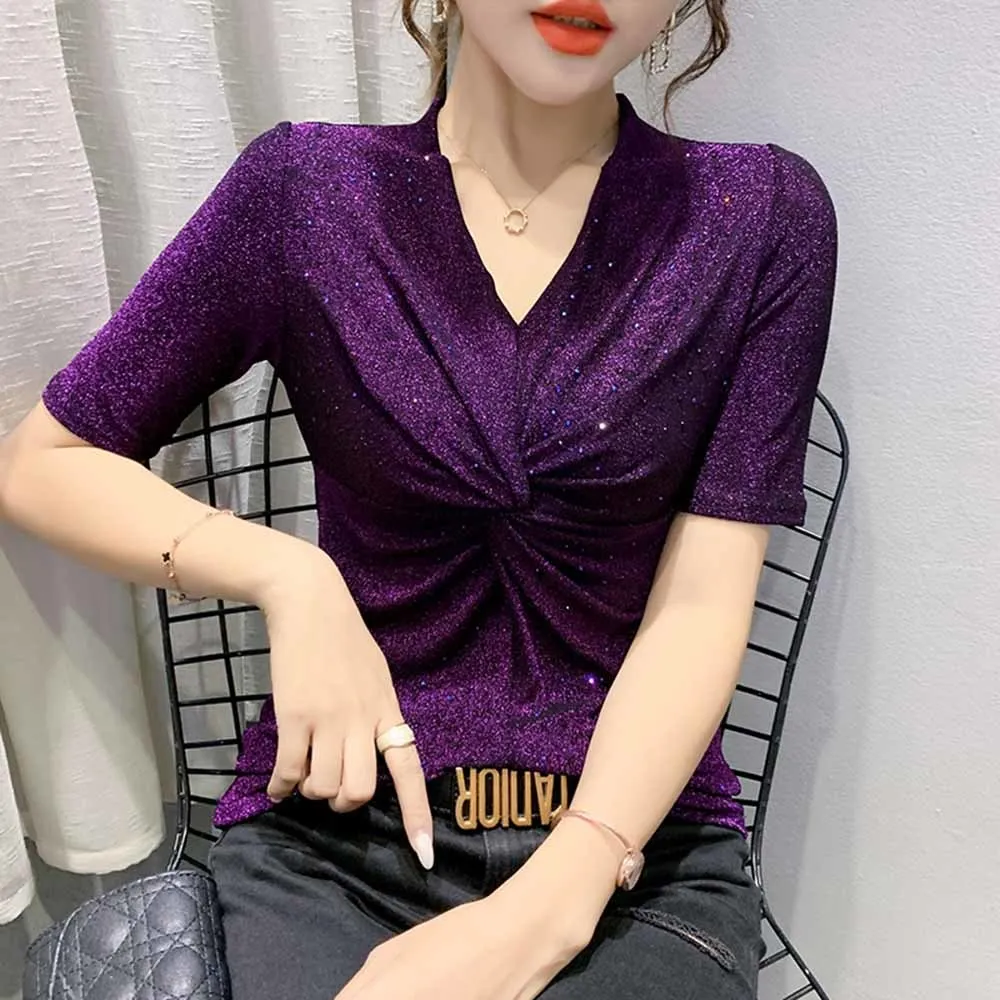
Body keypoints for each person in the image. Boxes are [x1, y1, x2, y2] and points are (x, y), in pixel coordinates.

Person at [0, 0, 838, 997]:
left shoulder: (759, 218)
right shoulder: (306, 194)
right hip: (338, 838)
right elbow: (45, 461)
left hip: (636, 850)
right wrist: (287, 574)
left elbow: (702, 602)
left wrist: (556, 897)